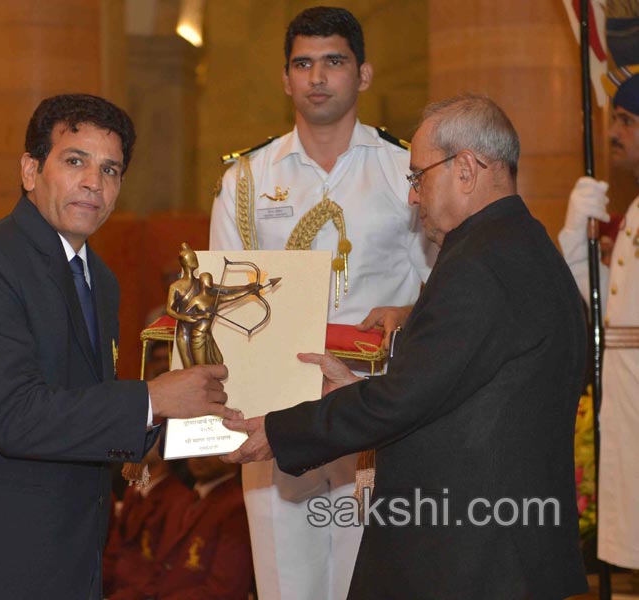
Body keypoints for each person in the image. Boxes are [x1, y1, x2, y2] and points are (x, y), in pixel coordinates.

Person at [225, 94, 589, 599]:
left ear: (466, 169)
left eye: (418, 177)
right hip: (506, 547)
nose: (413, 197)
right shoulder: (527, 246)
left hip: (469, 555)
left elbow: (405, 400)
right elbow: (454, 390)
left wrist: (283, 428)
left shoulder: (479, 264)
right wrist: (357, 388)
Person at [0, 93, 235, 600]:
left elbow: (83, 411)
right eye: (76, 162)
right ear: (31, 171)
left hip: (69, 558)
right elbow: (15, 416)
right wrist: (152, 400)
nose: (95, 182)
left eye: (111, 170)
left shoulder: (103, 281)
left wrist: (193, 423)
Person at [208, 7, 432, 599]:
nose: (317, 77)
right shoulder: (248, 179)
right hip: (279, 408)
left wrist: (406, 315)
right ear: (285, 79)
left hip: (377, 405)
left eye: (333, 61)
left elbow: (445, 290)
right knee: (287, 582)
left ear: (362, 74)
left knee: (372, 579)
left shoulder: (405, 171)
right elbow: (221, 308)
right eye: (303, 64)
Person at [558, 63, 639, 570]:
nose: (612, 132)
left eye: (627, 120)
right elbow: (609, 314)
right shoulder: (634, 213)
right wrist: (574, 243)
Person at [148, 457, 253, 600]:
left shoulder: (238, 507)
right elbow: (158, 571)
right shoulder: (183, 501)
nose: (200, 456)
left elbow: (224, 591)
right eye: (194, 447)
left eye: (211, 448)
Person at [103, 440, 194, 599]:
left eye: (152, 433)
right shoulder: (133, 492)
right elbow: (113, 552)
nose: (140, 439)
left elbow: (162, 572)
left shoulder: (179, 499)